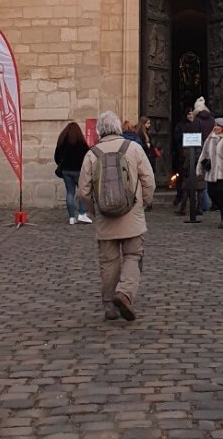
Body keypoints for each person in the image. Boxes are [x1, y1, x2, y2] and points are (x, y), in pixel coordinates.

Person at [78, 110, 156, 322]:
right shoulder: (134, 148)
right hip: (132, 215)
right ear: (118, 128)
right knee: (133, 255)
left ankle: (109, 306)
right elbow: (149, 180)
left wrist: (95, 211)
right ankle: (125, 292)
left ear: (100, 130)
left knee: (108, 262)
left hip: (105, 218)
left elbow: (83, 192)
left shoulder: (91, 154)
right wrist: (143, 203)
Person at [197, 118, 223, 229]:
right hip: (211, 172)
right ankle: (218, 206)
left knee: (220, 194)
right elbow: (204, 154)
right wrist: (199, 168)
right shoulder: (210, 139)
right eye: (215, 125)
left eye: (218, 125)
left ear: (222, 128)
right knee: (211, 192)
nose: (215, 127)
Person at [54, 121, 92, 225]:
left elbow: (57, 156)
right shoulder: (81, 142)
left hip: (67, 171)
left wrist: (62, 164)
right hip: (79, 171)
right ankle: (82, 213)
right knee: (83, 192)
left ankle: (71, 217)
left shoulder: (62, 141)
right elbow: (87, 156)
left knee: (70, 193)